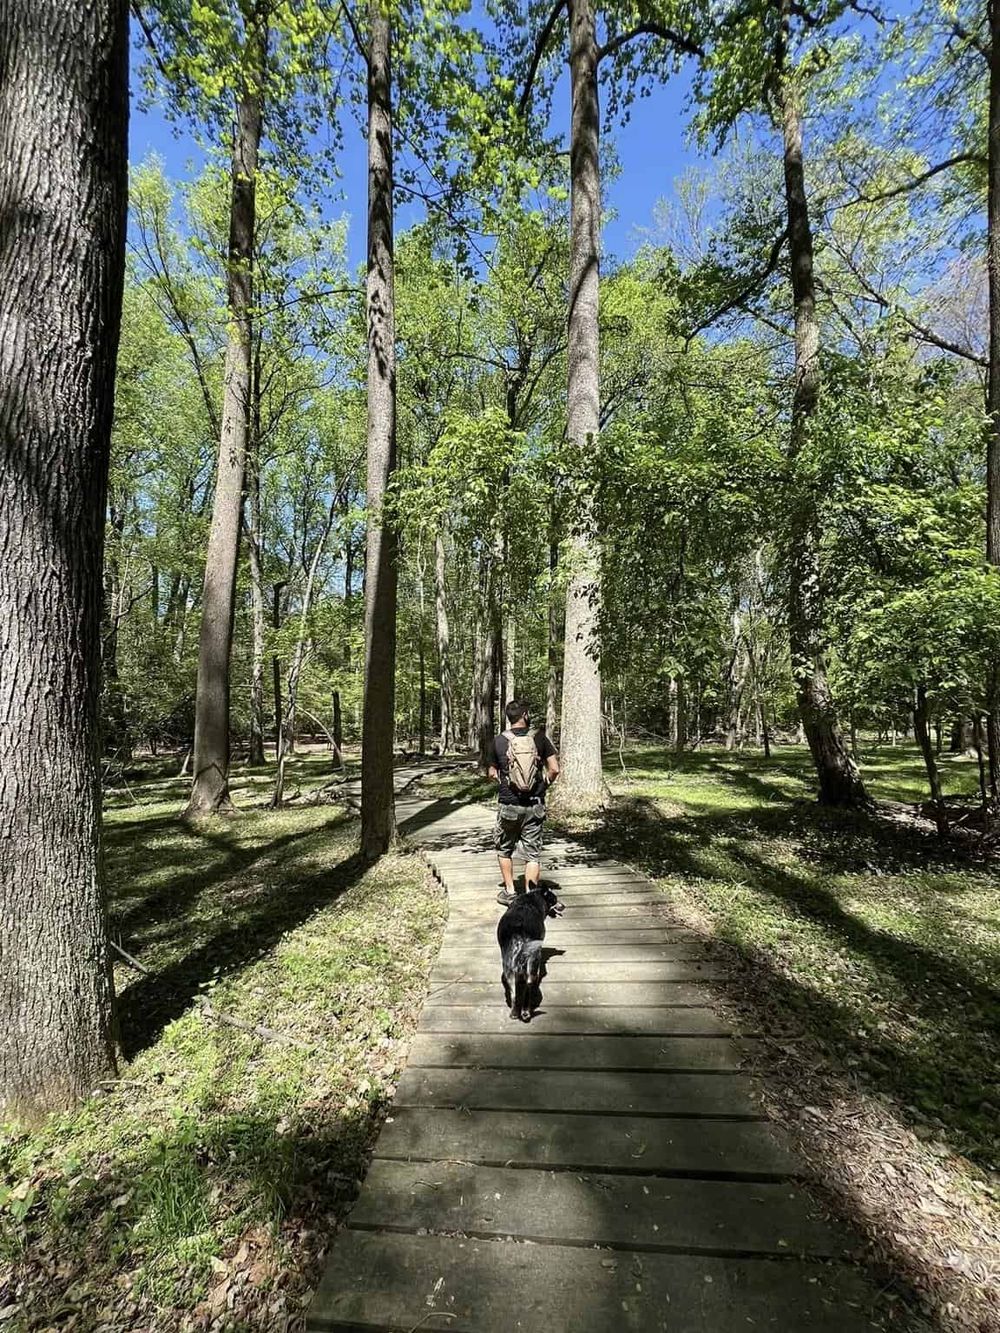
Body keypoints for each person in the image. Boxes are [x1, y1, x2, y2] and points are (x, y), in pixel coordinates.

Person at [489, 700, 560, 906]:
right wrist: (543, 785)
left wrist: (503, 781)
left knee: (504, 849)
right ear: (525, 715)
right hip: (534, 805)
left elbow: (492, 772)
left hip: (508, 804)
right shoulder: (539, 738)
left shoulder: (499, 741)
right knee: (532, 854)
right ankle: (531, 897)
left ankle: (510, 891)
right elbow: (554, 769)